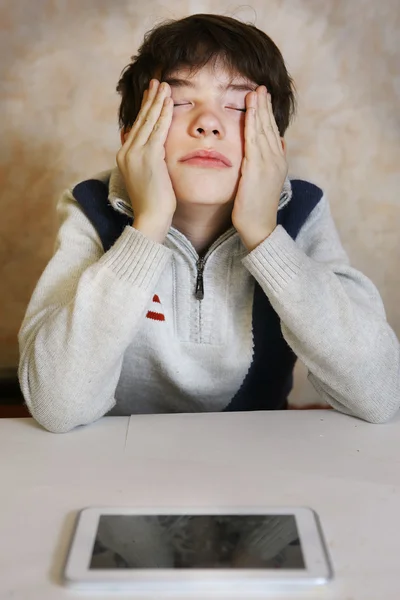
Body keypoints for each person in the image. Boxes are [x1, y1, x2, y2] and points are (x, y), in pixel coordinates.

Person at [18, 14, 399, 433]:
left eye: (238, 106)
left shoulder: (300, 212)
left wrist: (265, 237)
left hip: (257, 458)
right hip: (116, 461)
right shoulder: (90, 208)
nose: (208, 123)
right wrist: (147, 229)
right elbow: (55, 405)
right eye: (180, 102)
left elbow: (379, 393)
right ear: (130, 138)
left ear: (276, 147)